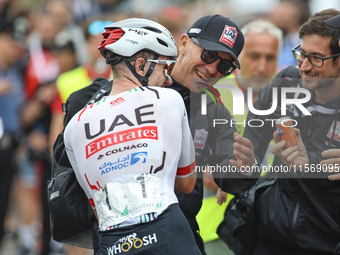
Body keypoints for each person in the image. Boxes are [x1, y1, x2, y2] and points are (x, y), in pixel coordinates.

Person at [54, 14, 261, 255]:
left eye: (224, 66)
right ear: (183, 44)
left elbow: (230, 176)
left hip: (177, 233)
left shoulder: (211, 108)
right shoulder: (94, 96)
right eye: (209, 55)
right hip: (117, 237)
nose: (212, 69)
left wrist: (247, 166)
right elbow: (63, 157)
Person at [64, 18, 202, 255]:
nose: (169, 80)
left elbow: (97, 207)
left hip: (112, 241)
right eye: (164, 68)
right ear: (141, 65)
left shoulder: (74, 126)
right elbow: (187, 183)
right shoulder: (168, 99)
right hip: (166, 231)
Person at [243, 9, 340, 254]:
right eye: (302, 53)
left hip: (326, 242)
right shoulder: (286, 81)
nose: (304, 66)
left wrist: (311, 164)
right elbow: (248, 153)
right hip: (270, 234)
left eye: (316, 58)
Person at [196, 18, 282, 249]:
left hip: (271, 225)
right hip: (216, 226)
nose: (262, 66)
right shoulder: (212, 94)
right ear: (238, 57)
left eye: (270, 57)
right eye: (254, 56)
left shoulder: (289, 98)